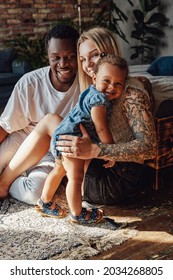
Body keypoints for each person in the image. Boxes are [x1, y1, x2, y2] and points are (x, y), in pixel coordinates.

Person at [0, 27, 156, 207]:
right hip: (102, 170)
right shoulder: (97, 88)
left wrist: (98, 150)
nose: (88, 64)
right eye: (83, 59)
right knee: (60, 128)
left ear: (110, 52)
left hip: (113, 181)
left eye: (95, 55)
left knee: (52, 121)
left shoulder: (129, 92)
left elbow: (150, 148)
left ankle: (5, 184)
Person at [35, 54, 128, 223]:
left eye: (118, 83)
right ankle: (77, 214)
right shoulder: (99, 101)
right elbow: (101, 128)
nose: (111, 87)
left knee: (59, 170)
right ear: (94, 78)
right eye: (106, 80)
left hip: (61, 135)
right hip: (72, 139)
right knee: (76, 178)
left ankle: (44, 202)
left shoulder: (90, 92)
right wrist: (110, 152)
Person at [0, 24, 80, 203]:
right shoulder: (29, 82)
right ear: (48, 57)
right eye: (56, 58)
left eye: (69, 57)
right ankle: (13, 174)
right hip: (21, 138)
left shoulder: (86, 87)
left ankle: (8, 182)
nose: (63, 64)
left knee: (35, 193)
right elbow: (5, 126)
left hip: (51, 149)